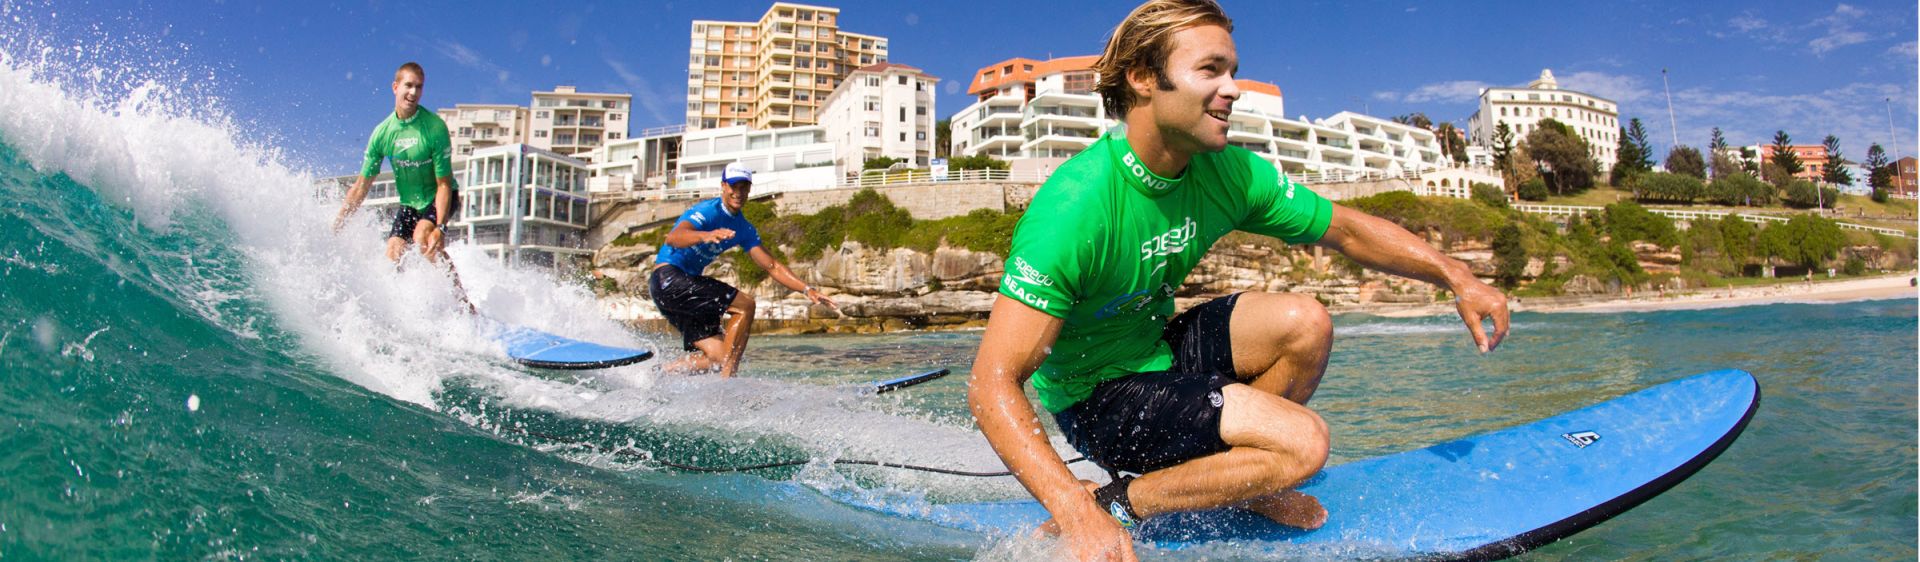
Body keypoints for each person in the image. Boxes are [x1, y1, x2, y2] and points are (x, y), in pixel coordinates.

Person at [964, 2, 1512, 560]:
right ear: (1144, 79)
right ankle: (1118, 501)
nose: (1232, 88)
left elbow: (1345, 229)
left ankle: (1240, 481)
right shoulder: (1075, 208)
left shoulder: (1226, 172)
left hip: (1154, 349)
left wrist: (1457, 275)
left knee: (1305, 323)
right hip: (1096, 401)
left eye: (1232, 70)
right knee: (1303, 442)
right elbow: (991, 385)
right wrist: (1075, 512)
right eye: (1211, 69)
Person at [648, 162, 839, 377]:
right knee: (746, 306)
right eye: (733, 187)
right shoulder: (707, 211)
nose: (738, 193)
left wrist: (807, 290)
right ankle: (729, 382)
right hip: (669, 278)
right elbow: (673, 238)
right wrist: (705, 235)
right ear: (723, 186)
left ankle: (658, 373)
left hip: (677, 292)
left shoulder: (743, 228)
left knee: (718, 357)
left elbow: (772, 265)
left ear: (749, 190)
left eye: (743, 187)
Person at [332, 61, 473, 312]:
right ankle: (401, 311)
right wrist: (338, 224)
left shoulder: (434, 128)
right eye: (408, 86)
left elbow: (443, 184)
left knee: (423, 239)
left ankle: (464, 305)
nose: (413, 93)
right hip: (410, 202)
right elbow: (362, 186)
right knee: (393, 253)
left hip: (440, 196)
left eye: (419, 87)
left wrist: (440, 226)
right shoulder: (382, 133)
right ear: (395, 87)